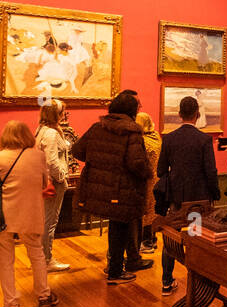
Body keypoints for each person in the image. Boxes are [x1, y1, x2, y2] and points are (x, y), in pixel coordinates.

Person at [70, 91, 150, 285]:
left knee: (115, 226)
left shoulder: (98, 127)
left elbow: (77, 150)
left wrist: (100, 163)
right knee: (120, 228)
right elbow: (136, 163)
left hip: (100, 186)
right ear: (131, 110)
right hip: (123, 188)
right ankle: (115, 271)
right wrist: (148, 173)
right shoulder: (132, 132)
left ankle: (114, 265)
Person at [0, 121, 58, 307]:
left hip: (5, 214)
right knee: (36, 254)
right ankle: (43, 296)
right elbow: (43, 183)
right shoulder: (38, 156)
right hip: (31, 212)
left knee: (5, 259)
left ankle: (11, 305)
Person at [156, 94, 221, 295]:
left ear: (179, 114)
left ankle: (166, 282)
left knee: (171, 239)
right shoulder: (203, 139)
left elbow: (160, 170)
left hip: (176, 198)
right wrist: (215, 193)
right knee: (195, 238)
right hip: (198, 200)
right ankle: (195, 281)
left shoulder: (169, 138)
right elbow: (210, 171)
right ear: (197, 114)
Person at [36, 100, 72, 272]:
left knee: (45, 220)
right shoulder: (51, 133)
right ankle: (46, 260)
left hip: (44, 180)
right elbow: (51, 161)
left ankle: (42, 258)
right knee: (49, 221)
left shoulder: (42, 130)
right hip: (52, 182)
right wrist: (61, 176)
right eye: (63, 112)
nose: (65, 115)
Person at [137, 110, 163, 255]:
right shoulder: (156, 137)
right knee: (153, 210)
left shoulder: (143, 141)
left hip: (147, 179)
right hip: (157, 178)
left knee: (146, 211)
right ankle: (152, 239)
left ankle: (146, 242)